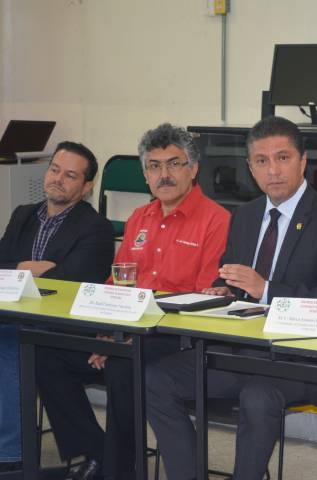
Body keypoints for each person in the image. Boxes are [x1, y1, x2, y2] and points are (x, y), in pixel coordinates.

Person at [146, 116, 317, 480]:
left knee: (258, 397)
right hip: (240, 350)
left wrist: (267, 290)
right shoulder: (245, 216)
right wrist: (222, 289)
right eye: (262, 161)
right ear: (250, 168)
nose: (272, 170)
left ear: (303, 161)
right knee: (154, 378)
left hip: (298, 357)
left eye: (283, 158)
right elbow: (231, 275)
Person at [36, 124, 230, 480]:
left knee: (123, 366)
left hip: (175, 337)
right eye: (154, 166)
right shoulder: (140, 217)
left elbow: (202, 300)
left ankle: (119, 472)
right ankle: (98, 453)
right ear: (145, 175)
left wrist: (125, 338)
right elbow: (117, 282)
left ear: (193, 169)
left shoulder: (216, 220)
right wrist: (108, 331)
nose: (164, 174)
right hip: (126, 329)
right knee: (47, 353)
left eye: (174, 164)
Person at [0, 141, 115, 473]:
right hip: (17, 316)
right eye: (54, 170)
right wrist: (29, 268)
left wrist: (19, 270)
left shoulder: (96, 227)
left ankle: (11, 455)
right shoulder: (23, 214)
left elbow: (70, 280)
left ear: (87, 186)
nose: (57, 179)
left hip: (66, 327)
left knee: (10, 343)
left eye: (70, 175)